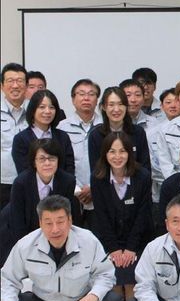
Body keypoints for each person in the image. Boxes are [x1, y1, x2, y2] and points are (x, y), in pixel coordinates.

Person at [1, 195, 120, 301]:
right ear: (40, 223)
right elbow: (7, 280)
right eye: (48, 223)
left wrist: (94, 295)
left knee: (112, 299)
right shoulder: (25, 245)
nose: (55, 229)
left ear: (70, 220)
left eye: (60, 221)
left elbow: (105, 274)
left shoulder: (88, 240)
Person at [90, 131, 153, 301]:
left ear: (130, 153)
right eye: (112, 151)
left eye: (122, 151)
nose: (117, 156)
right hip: (110, 241)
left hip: (138, 240)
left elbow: (143, 215)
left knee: (132, 269)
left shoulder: (142, 176)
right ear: (105, 154)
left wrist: (131, 248)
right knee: (113, 267)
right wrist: (114, 248)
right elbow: (101, 217)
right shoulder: (98, 178)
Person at [1, 139, 81, 266]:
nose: (47, 163)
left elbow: (66, 217)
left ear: (58, 160)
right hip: (18, 233)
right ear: (34, 162)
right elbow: (17, 223)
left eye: (52, 158)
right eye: (42, 159)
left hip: (51, 231)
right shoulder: (21, 183)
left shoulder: (67, 181)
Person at [57, 79, 102, 212]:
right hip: (70, 193)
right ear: (73, 99)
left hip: (101, 193)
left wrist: (93, 186)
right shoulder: (62, 128)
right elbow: (60, 162)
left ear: (97, 100)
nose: (86, 98)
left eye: (91, 94)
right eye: (81, 94)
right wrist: (75, 188)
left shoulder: (106, 127)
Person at [12, 89, 75, 178]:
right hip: (31, 186)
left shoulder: (63, 137)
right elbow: (24, 172)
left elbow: (69, 168)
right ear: (33, 110)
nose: (47, 111)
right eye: (42, 107)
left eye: (51, 107)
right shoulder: (21, 139)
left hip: (62, 186)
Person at [88, 86, 151, 174]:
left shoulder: (138, 132)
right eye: (111, 105)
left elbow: (145, 168)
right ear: (104, 107)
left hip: (135, 181)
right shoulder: (95, 135)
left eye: (120, 104)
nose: (116, 109)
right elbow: (96, 172)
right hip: (105, 182)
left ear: (126, 106)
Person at [1, 63, 29, 209]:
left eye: (20, 81)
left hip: (31, 181)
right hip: (3, 182)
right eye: (10, 81)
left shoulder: (36, 111)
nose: (15, 85)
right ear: (2, 86)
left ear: (26, 85)